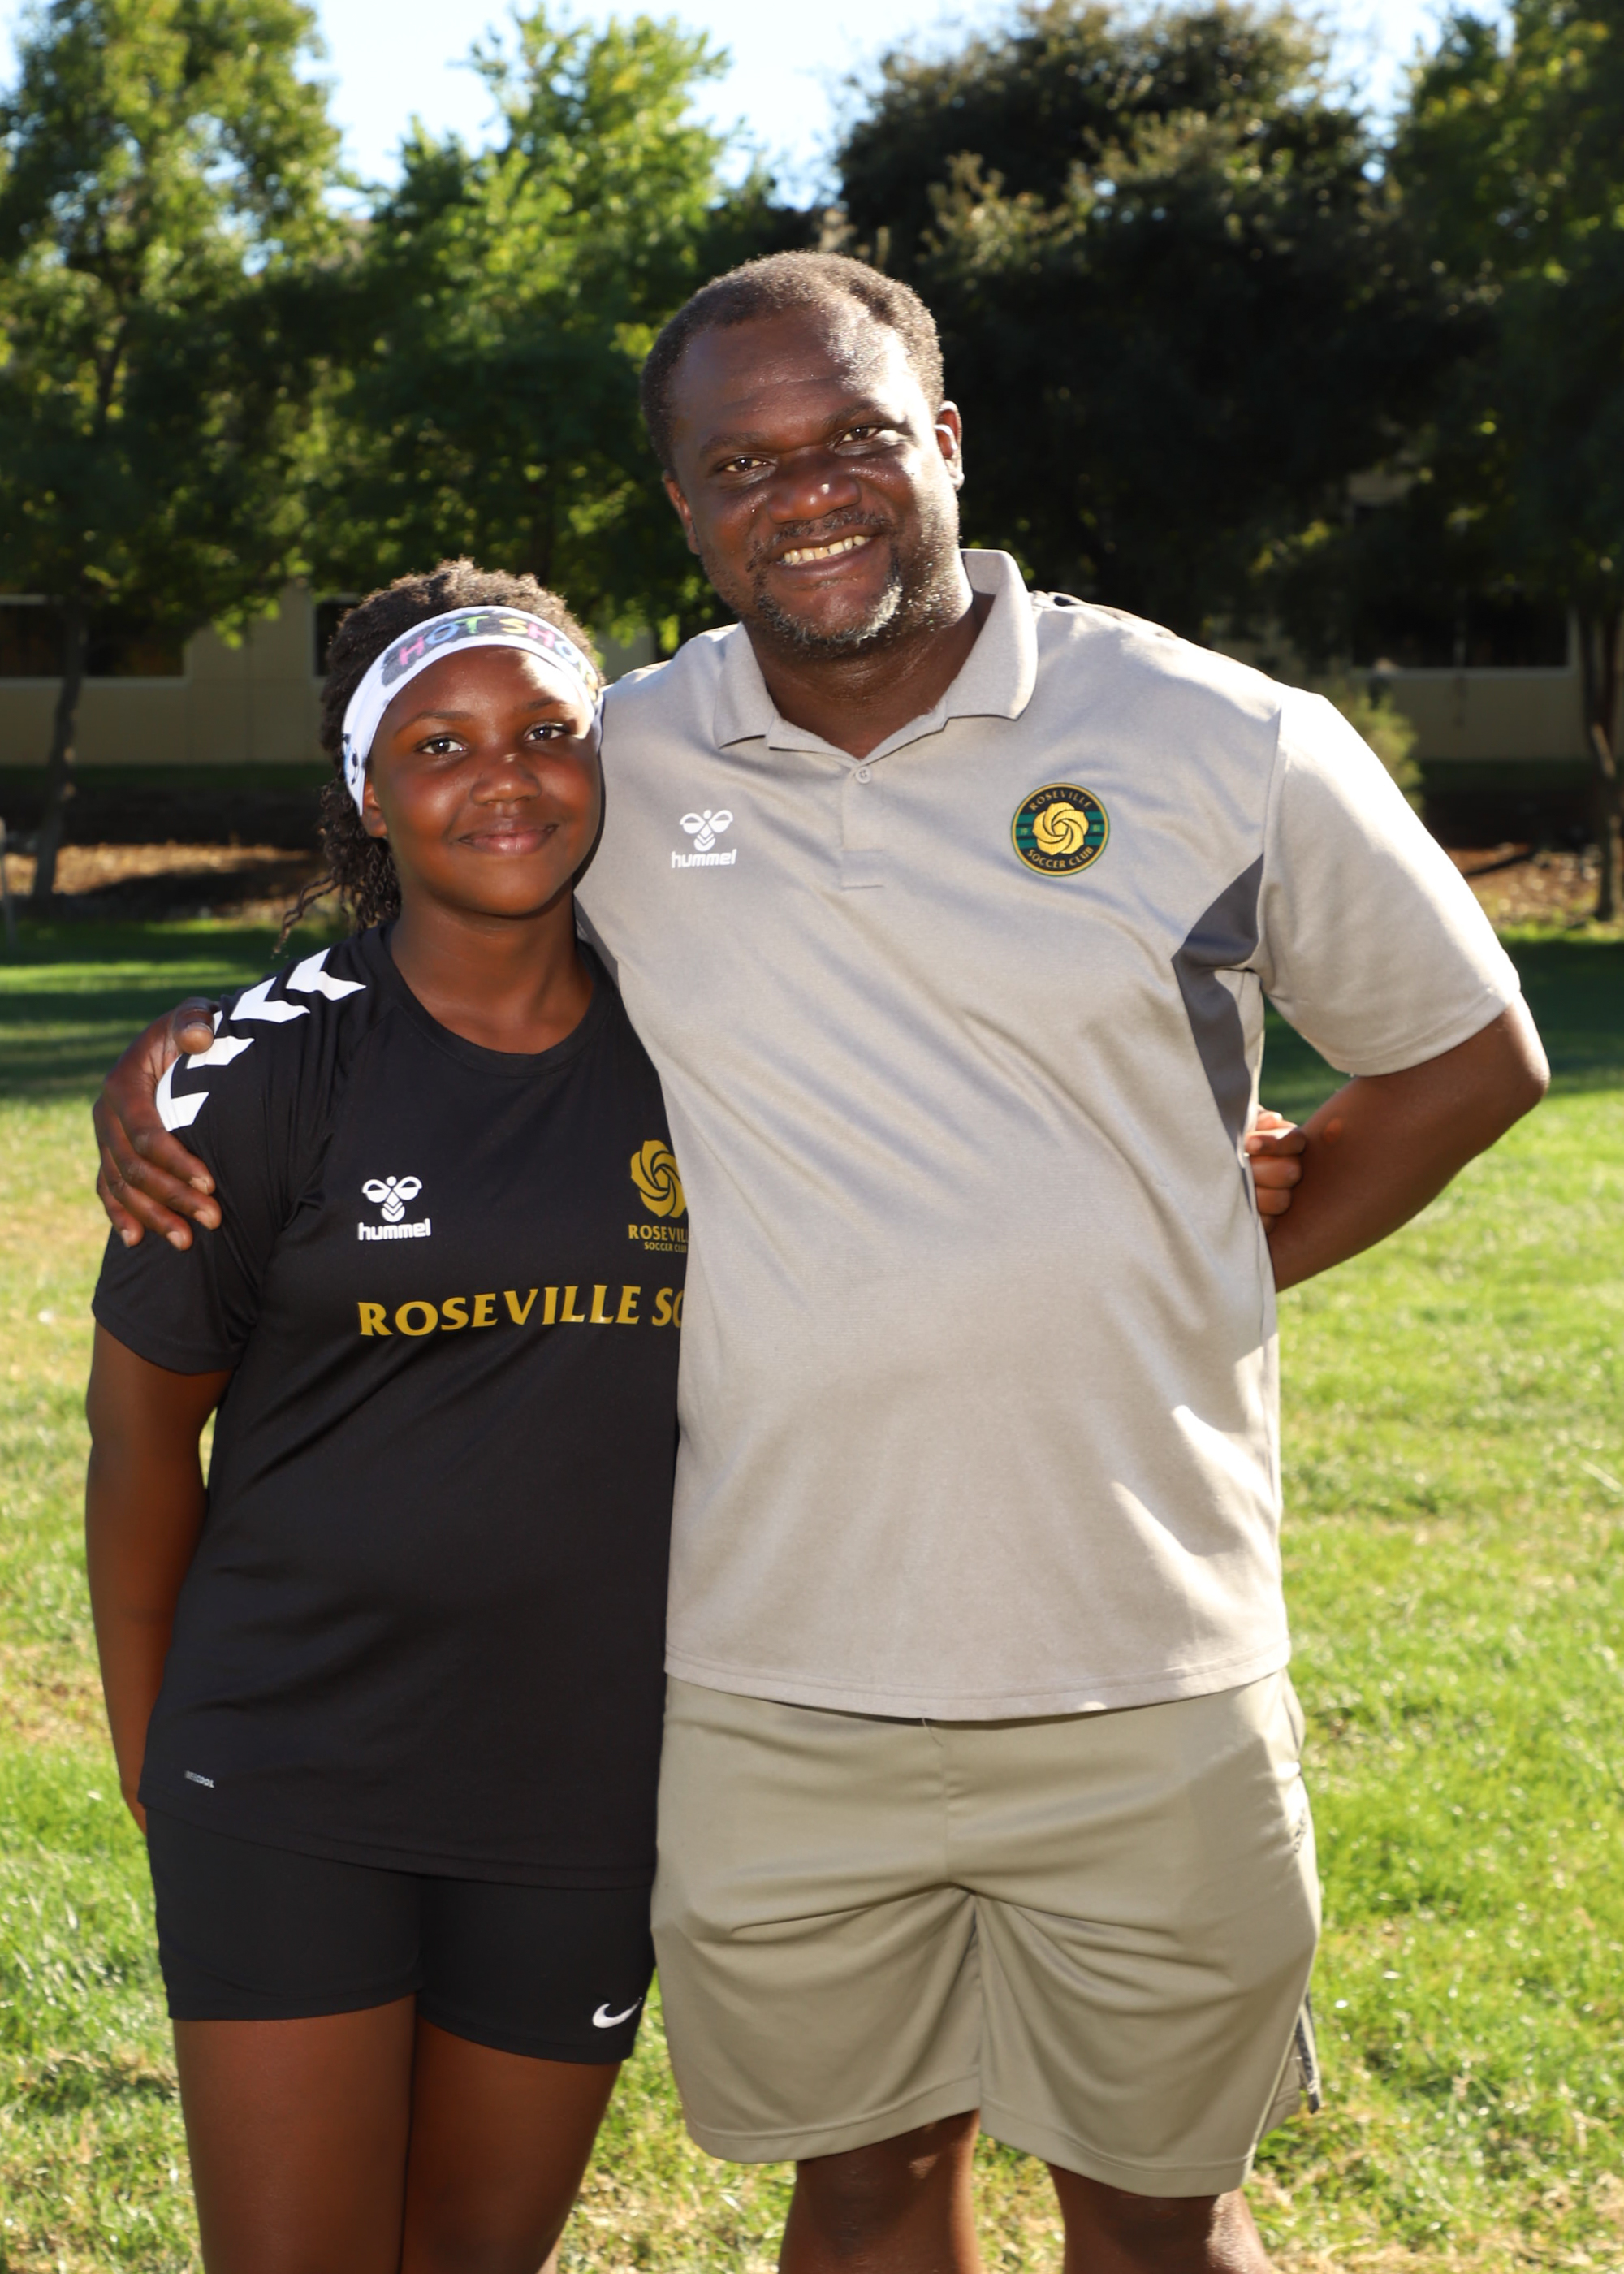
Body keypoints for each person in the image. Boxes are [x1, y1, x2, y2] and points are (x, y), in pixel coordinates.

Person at [93, 253, 1548, 2274]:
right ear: (685, 509)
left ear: (942, 438)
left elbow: (1473, 1058)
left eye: (853, 435)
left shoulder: (1220, 732)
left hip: (1144, 1654)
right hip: (767, 1672)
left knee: (1161, 2208)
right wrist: (178, 1060)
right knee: (861, 2185)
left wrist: (1203, 1247)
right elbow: (439, 893)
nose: (807, 492)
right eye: (742, 462)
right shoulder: (631, 755)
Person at [85, 566, 687, 2274]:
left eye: (547, 732)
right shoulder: (258, 1071)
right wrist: (153, 1748)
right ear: (368, 793)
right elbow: (141, 1441)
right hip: (290, 1764)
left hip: (589, 1774)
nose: (504, 778)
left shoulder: (707, 1040)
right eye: (439, 743)